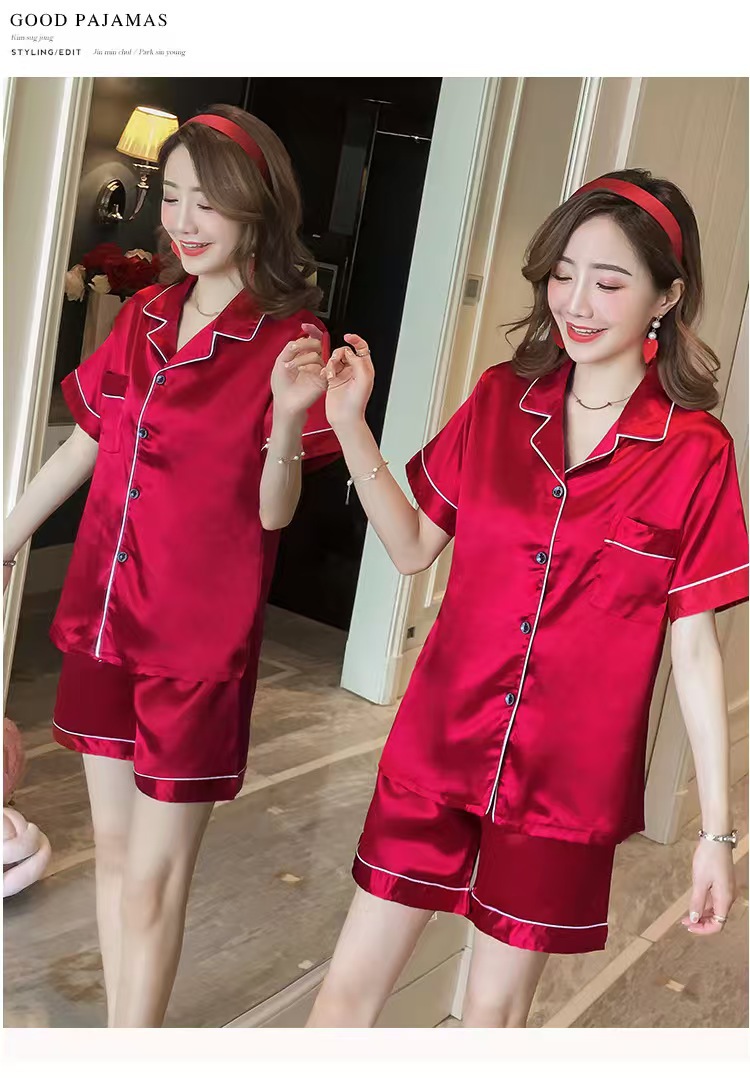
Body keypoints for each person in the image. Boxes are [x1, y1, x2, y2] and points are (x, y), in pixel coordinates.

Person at [307, 169, 749, 1028]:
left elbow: (695, 649)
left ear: (666, 297)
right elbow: (412, 546)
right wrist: (350, 421)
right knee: (346, 997)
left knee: (493, 1017)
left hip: (564, 787)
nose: (576, 303)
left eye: (609, 283)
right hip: (438, 745)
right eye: (563, 274)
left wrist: (717, 836)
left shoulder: (696, 452)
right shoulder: (500, 400)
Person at [3, 105, 339, 1027]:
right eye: (175, 196)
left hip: (196, 646)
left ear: (258, 208)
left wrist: (285, 417)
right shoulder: (145, 314)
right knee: (115, 857)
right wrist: (5, 539)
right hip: (105, 618)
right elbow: (88, 443)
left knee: (155, 878)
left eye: (209, 202)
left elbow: (275, 512)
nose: (185, 222)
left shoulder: (290, 341)